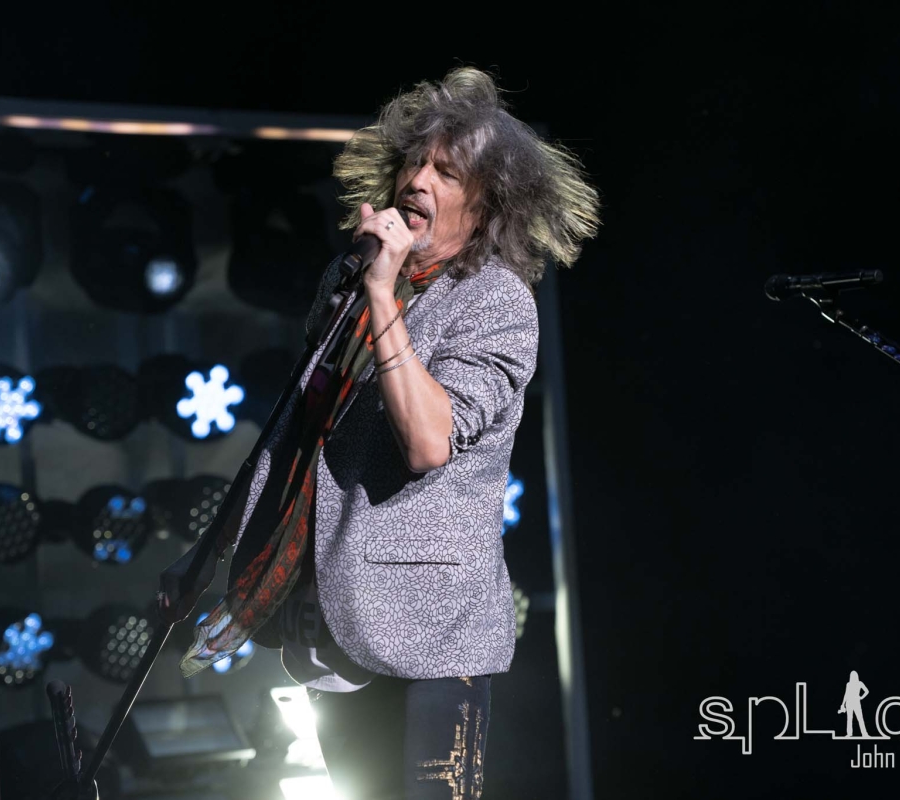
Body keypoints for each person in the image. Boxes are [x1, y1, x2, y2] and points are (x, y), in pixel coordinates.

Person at [171, 67, 600, 799]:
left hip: (431, 635)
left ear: (487, 203)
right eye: (414, 162)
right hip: (332, 623)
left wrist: (381, 294)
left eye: (447, 172)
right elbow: (296, 437)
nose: (418, 181)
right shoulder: (349, 278)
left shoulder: (496, 301)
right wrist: (212, 554)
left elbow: (429, 443)